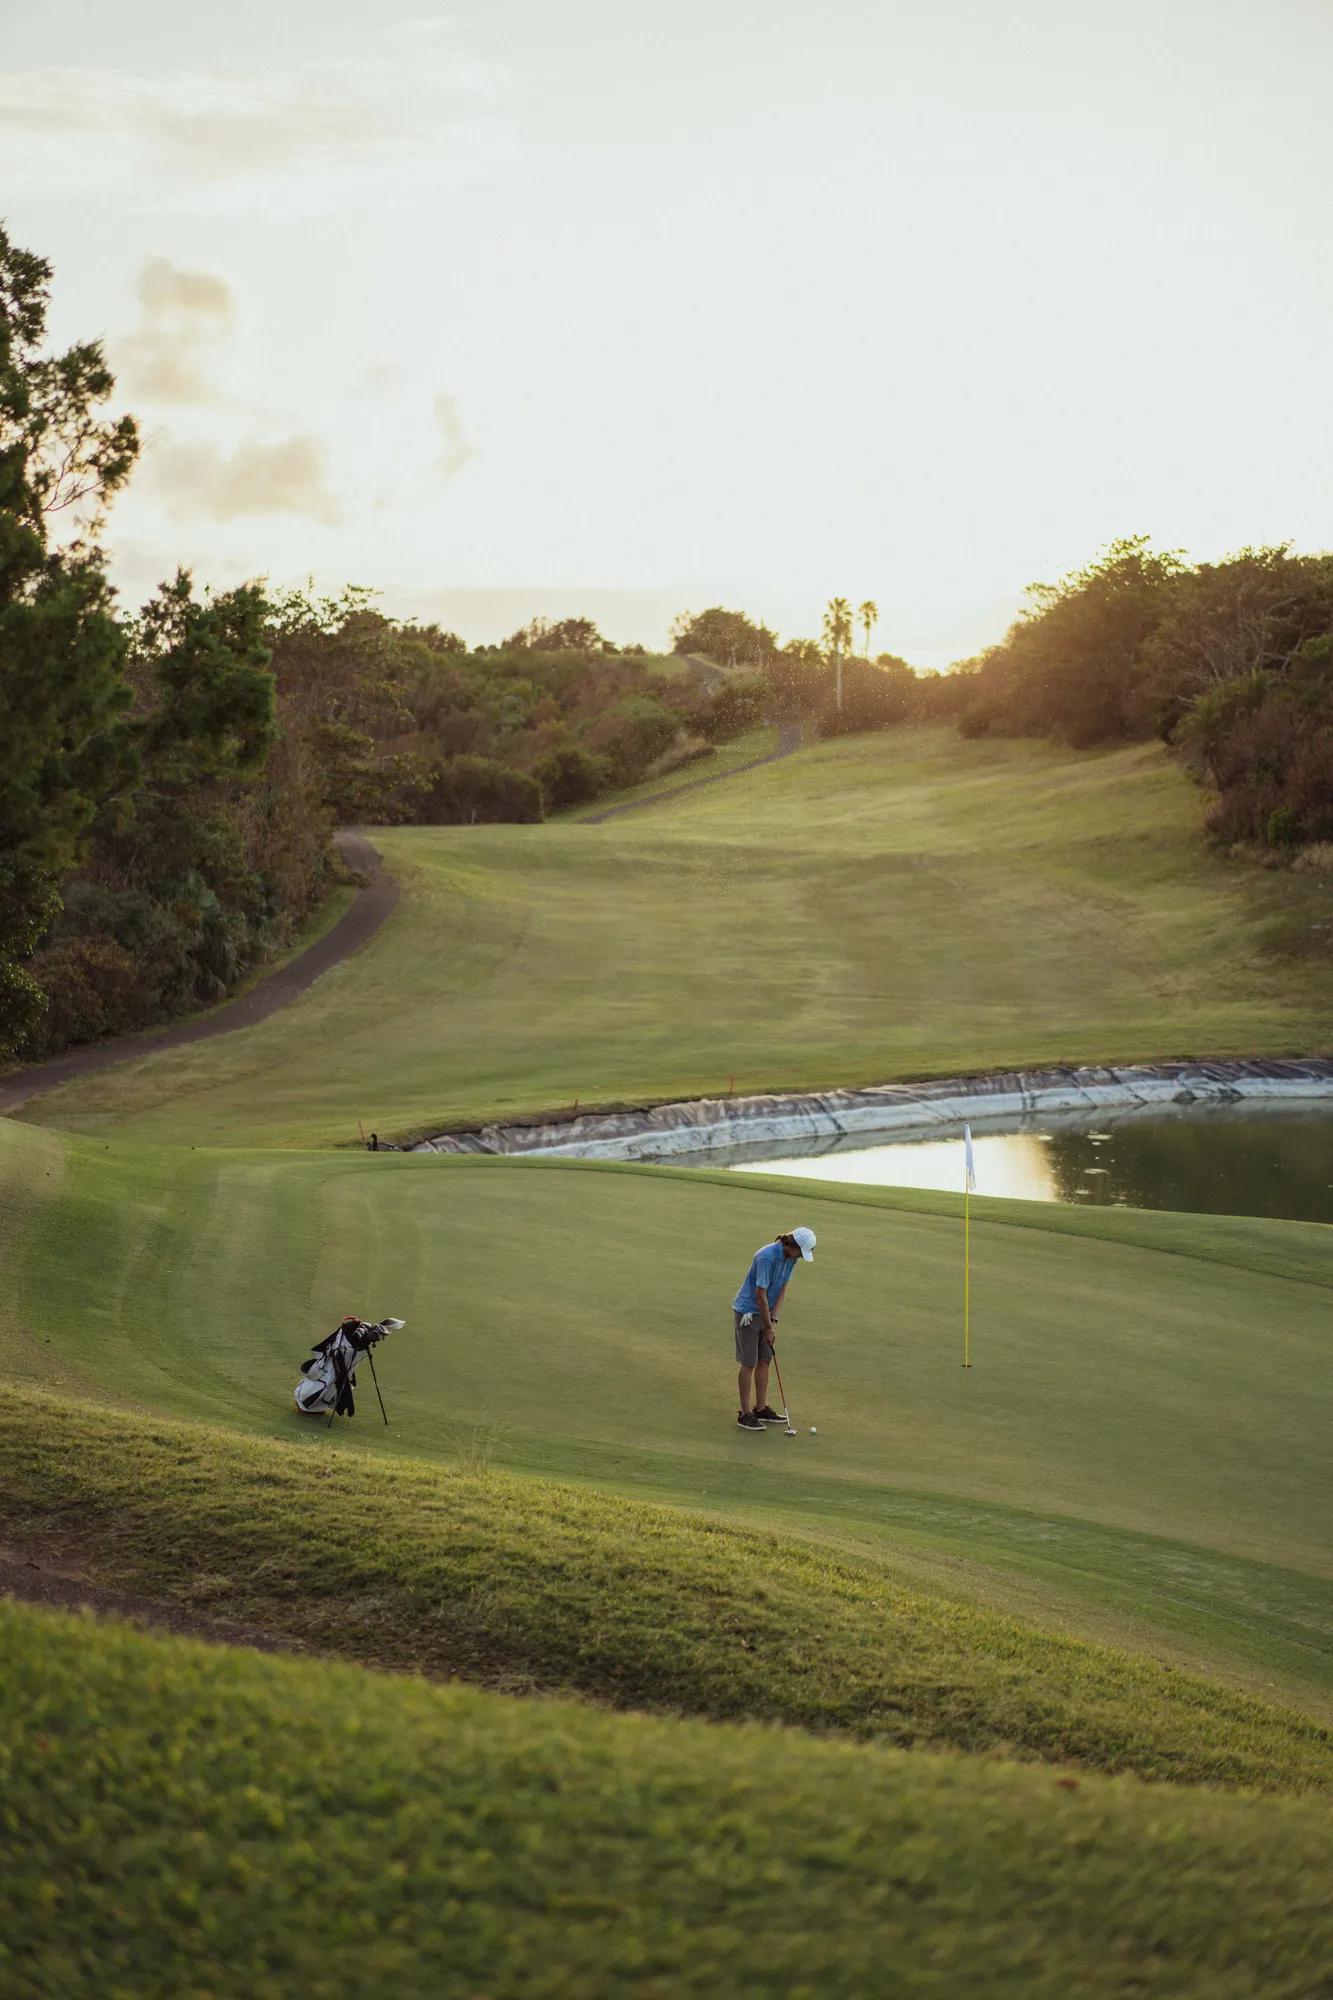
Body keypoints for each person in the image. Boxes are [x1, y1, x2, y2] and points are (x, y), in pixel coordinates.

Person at [732, 1227, 816, 1429]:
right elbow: (760, 1294)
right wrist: (768, 1328)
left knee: (764, 1360)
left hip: (767, 1314)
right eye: (800, 1253)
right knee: (749, 1362)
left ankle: (761, 1409)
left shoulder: (791, 1259)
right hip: (748, 1313)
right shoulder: (767, 1257)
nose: (800, 1258)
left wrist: (774, 1319)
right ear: (791, 1245)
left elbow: (782, 1289)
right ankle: (745, 1414)